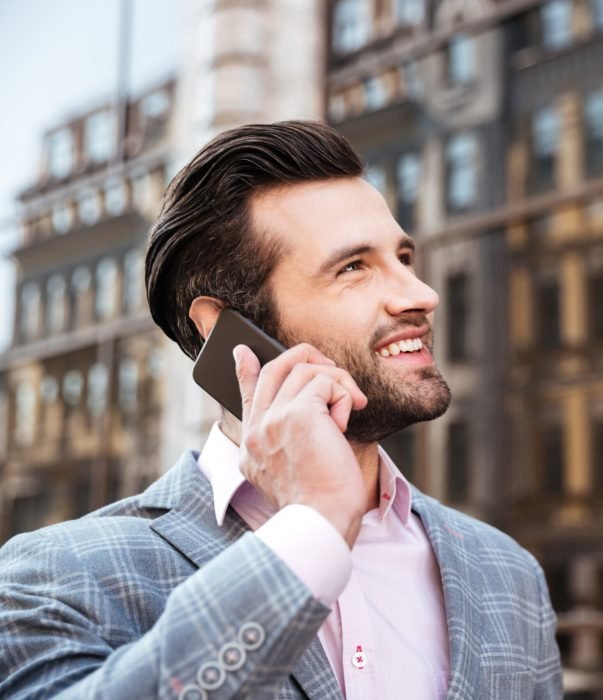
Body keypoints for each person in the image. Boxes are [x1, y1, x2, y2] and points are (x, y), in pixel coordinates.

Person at [0, 121, 562, 699]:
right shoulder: (58, 576)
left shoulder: (508, 573)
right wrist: (311, 532)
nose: (421, 294)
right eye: (353, 268)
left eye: (403, 257)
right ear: (229, 331)